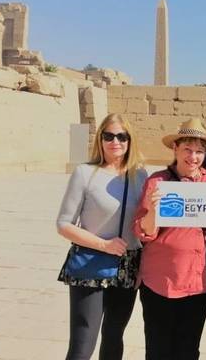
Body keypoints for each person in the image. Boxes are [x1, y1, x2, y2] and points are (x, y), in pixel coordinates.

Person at [56, 113, 148, 360]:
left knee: (114, 335)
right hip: (91, 261)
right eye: (109, 136)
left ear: (130, 141)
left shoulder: (140, 176)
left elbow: (144, 224)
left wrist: (144, 265)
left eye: (121, 136)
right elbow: (64, 224)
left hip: (128, 264)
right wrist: (103, 244)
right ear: (100, 139)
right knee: (83, 340)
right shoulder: (85, 173)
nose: (115, 141)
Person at [133, 118, 206, 360]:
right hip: (160, 281)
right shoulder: (158, 181)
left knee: (188, 348)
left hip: (198, 282)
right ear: (175, 149)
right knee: (158, 348)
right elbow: (144, 233)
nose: (193, 157)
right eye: (187, 150)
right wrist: (153, 211)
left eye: (199, 151)